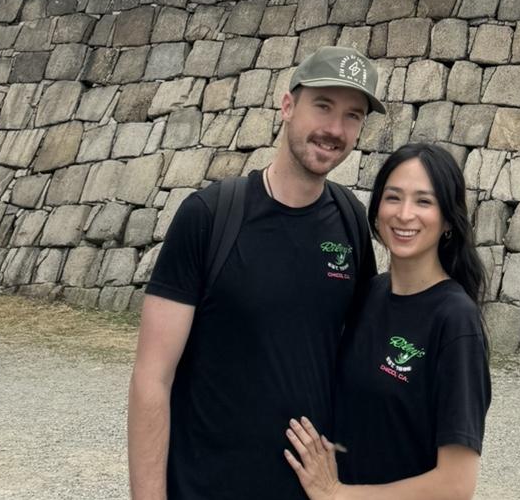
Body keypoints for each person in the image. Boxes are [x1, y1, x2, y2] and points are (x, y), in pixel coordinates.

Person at [127, 46, 386, 500]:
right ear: (287, 106)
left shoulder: (349, 220)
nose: (334, 129)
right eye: (322, 106)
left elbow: (355, 367)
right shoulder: (209, 218)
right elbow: (152, 379)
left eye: (353, 116)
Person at [284, 141, 492, 500]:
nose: (404, 214)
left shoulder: (455, 321)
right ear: (377, 208)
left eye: (424, 201)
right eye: (393, 197)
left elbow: (455, 485)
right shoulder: (365, 295)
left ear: (447, 221)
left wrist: (338, 495)